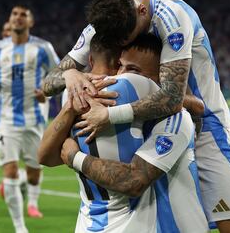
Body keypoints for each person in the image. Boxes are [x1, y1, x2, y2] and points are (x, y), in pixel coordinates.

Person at [42, 0, 230, 232]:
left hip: (206, 129)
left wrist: (110, 114)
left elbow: (173, 98)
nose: (121, 45)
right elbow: (47, 83)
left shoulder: (173, 15)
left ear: (141, 11)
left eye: (125, 39)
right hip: (153, 123)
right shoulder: (107, 25)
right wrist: (70, 73)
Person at [39, 34, 209, 232]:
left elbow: (132, 181)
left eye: (134, 71)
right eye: (121, 66)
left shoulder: (177, 120)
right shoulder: (110, 115)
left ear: (160, 79)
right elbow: (46, 156)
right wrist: (69, 88)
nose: (120, 76)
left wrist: (74, 157)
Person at [0, 5, 59, 233]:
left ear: (30, 22)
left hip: (34, 120)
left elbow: (59, 74)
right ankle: (19, 226)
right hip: (5, 120)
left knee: (34, 172)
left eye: (23, 14)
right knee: (10, 171)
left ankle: (29, 193)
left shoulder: (42, 48)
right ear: (10, 19)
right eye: (14, 14)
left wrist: (45, 90)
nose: (18, 18)